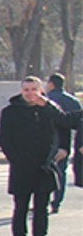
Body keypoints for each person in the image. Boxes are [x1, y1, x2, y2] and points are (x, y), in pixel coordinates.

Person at [0, 76, 72, 236]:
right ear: (21, 91)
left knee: (41, 209)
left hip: (45, 165)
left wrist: (63, 149)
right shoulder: (10, 112)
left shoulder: (49, 110)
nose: (30, 94)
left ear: (41, 91)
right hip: (21, 166)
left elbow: (64, 125)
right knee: (21, 208)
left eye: (34, 90)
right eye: (26, 90)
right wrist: (14, 158)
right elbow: (4, 139)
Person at [44, 73, 81, 212]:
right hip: (66, 142)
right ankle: (57, 202)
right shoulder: (74, 101)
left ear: (51, 84)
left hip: (48, 141)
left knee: (45, 172)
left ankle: (43, 202)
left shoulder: (47, 101)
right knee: (61, 172)